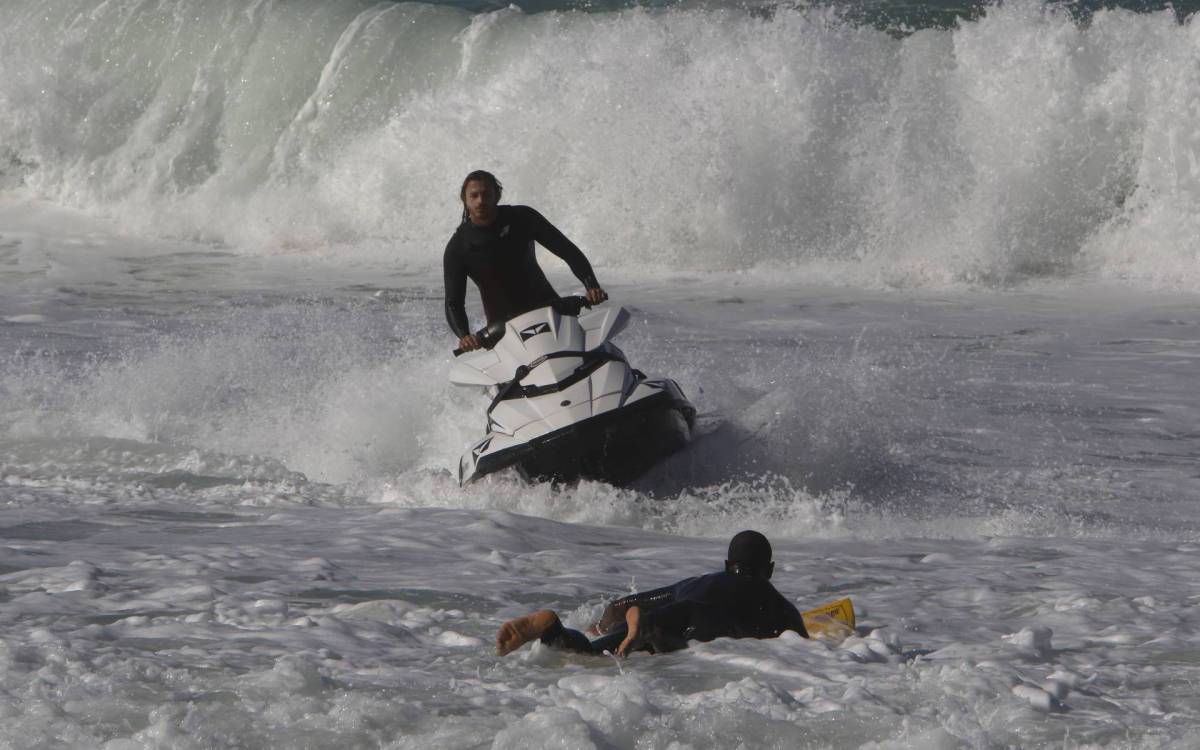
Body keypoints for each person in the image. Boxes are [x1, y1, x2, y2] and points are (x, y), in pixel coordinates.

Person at [495, 530, 809, 658]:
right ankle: (644, 631)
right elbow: (802, 649)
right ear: (768, 570)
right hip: (708, 624)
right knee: (656, 643)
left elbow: (623, 604)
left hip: (677, 610)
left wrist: (603, 626)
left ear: (728, 565)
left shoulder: (697, 581)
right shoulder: (783, 609)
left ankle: (553, 628)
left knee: (591, 652)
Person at [444, 170, 609, 352]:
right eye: (474, 196)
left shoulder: (522, 218)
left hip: (551, 310)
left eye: (486, 194)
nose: (480, 201)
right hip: (503, 329)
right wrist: (465, 336)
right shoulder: (458, 247)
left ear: (497, 196)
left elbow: (567, 251)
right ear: (465, 200)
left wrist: (591, 286)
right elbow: (453, 302)